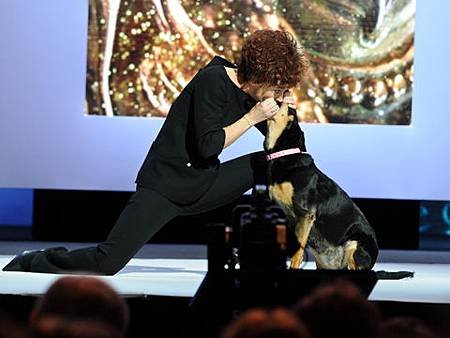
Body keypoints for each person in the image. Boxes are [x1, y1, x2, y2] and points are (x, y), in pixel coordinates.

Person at [2, 29, 309, 275]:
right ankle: (34, 260)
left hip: (205, 183)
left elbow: (290, 149)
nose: (279, 95)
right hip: (165, 185)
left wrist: (287, 116)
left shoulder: (255, 96)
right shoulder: (213, 81)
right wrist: (253, 117)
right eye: (277, 88)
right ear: (257, 77)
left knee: (273, 162)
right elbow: (207, 147)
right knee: (107, 263)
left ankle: (297, 244)